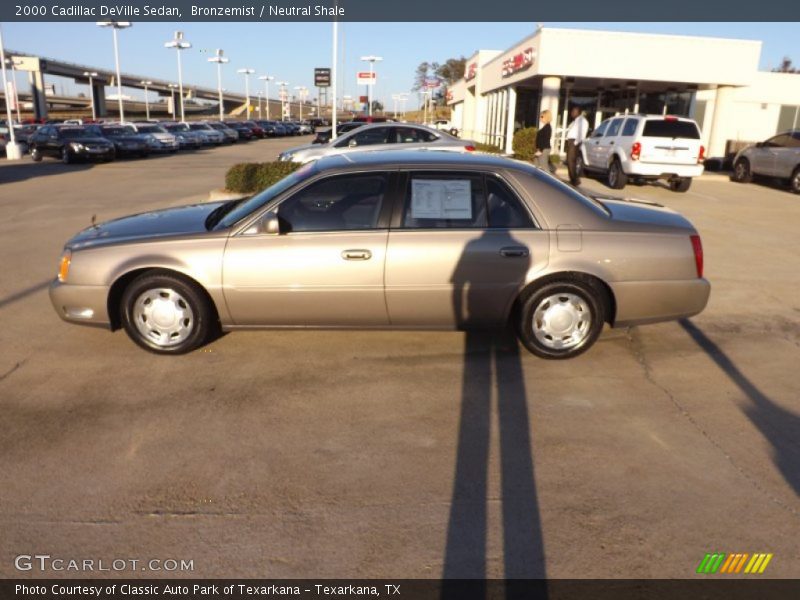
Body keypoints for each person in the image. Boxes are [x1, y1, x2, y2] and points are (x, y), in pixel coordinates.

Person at [565, 106, 589, 186]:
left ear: (578, 112)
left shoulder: (582, 121)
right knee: (569, 161)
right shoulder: (575, 121)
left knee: (571, 161)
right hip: (571, 141)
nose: (572, 113)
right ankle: (573, 179)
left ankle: (575, 180)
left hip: (575, 142)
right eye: (572, 111)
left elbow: (582, 134)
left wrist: (575, 143)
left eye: (574, 111)